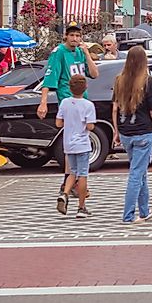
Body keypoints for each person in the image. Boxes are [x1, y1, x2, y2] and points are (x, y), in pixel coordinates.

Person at [38, 21, 99, 196]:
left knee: (79, 142)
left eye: (78, 35)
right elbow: (50, 77)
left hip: (83, 101)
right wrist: (43, 102)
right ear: (66, 36)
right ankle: (72, 182)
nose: (75, 38)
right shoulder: (59, 53)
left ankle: (71, 182)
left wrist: (87, 53)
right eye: (72, 35)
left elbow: (94, 74)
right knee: (73, 142)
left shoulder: (80, 52)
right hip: (67, 99)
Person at [111, 46, 152, 224]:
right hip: (144, 132)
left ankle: (144, 211)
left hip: (126, 132)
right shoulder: (148, 81)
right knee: (136, 173)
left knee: (141, 171)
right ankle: (128, 215)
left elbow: (115, 108)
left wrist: (116, 131)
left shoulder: (119, 80)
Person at [55, 74, 96, 218]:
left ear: (70, 88)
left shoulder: (65, 103)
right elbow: (90, 126)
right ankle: (81, 207)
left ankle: (65, 194)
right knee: (83, 174)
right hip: (83, 144)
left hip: (68, 143)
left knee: (72, 172)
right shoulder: (88, 105)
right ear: (85, 88)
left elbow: (58, 123)